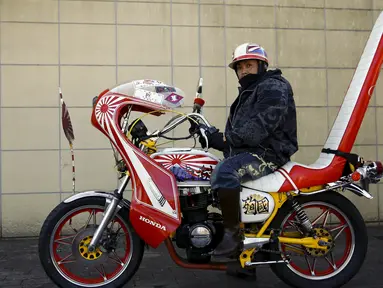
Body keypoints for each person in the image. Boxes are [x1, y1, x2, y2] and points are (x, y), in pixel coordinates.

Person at [199, 43, 298, 257]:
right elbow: (241, 128)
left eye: (249, 65)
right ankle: (243, 261)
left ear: (261, 66)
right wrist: (210, 133)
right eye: (240, 67)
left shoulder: (273, 86)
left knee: (226, 172)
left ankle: (232, 237)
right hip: (253, 151)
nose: (243, 70)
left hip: (269, 153)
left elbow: (260, 126)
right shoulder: (250, 90)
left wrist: (225, 140)